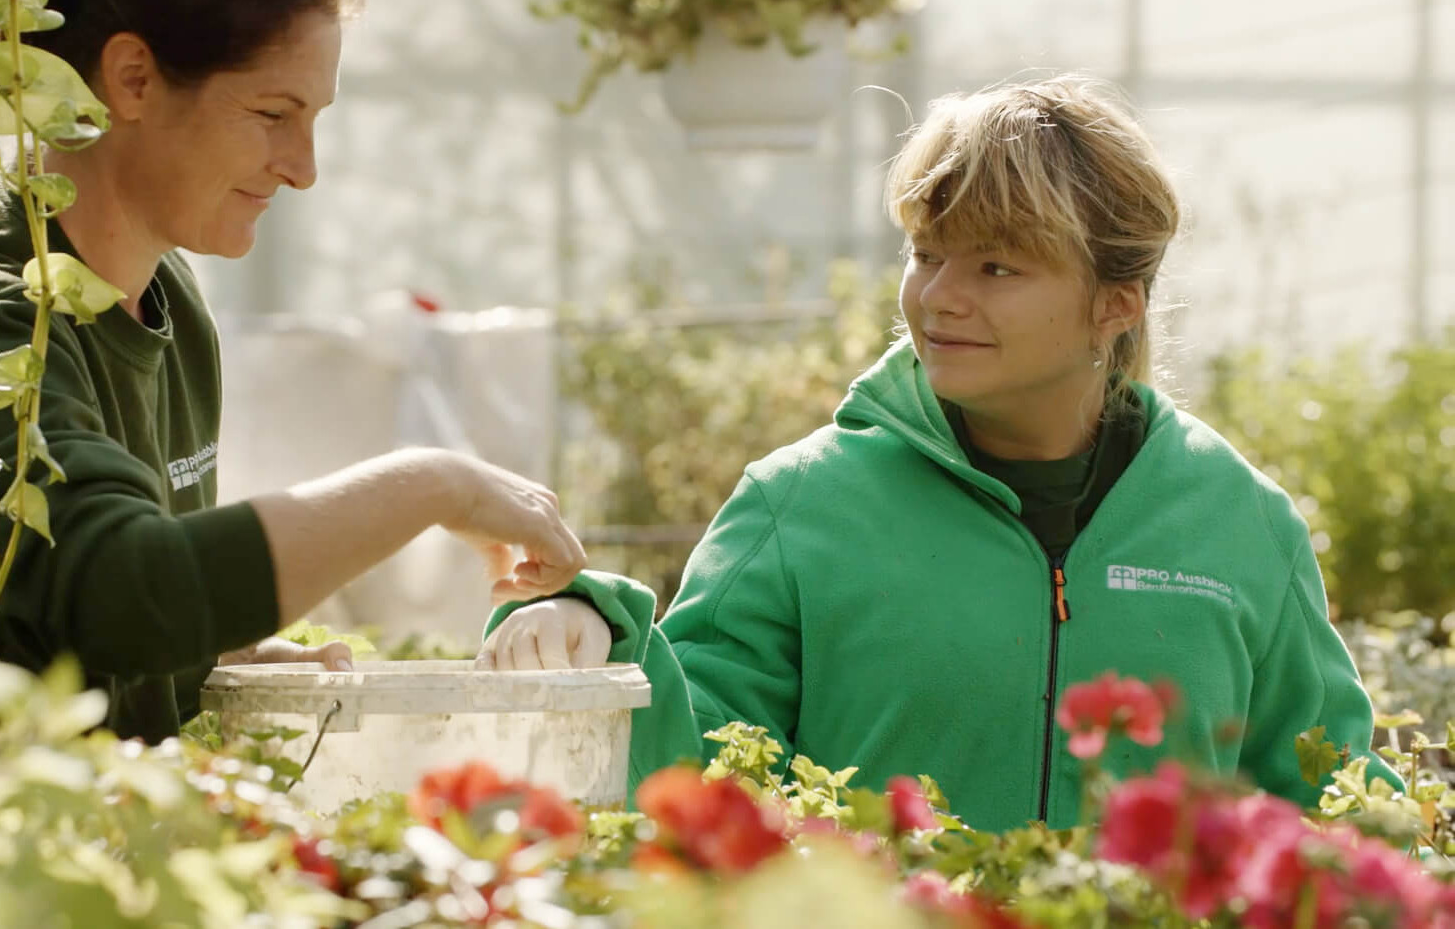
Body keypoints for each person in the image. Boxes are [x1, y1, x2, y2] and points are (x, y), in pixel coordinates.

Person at [477, 75, 1397, 831]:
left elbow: (1333, 807)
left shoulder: (1241, 525)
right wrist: (601, 635)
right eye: (927, 253)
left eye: (996, 267)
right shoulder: (799, 506)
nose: (939, 297)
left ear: (1116, 304)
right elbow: (703, 779)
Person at [0, 0, 584, 741]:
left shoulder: (170, 307)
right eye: (272, 112)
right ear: (134, 78)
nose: (304, 166)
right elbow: (126, 595)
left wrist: (206, 652)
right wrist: (433, 484)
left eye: (314, 117)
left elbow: (86, 613)